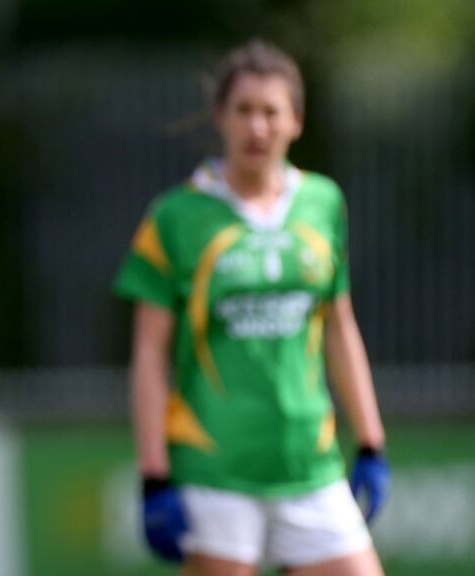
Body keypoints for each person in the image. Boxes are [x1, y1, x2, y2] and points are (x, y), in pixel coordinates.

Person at [114, 40, 391, 576]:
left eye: (271, 112)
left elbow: (340, 328)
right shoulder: (175, 216)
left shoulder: (324, 203)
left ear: (297, 122)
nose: (257, 127)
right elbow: (150, 354)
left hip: (310, 462)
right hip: (217, 468)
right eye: (243, 111)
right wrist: (154, 475)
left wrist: (372, 442)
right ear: (220, 117)